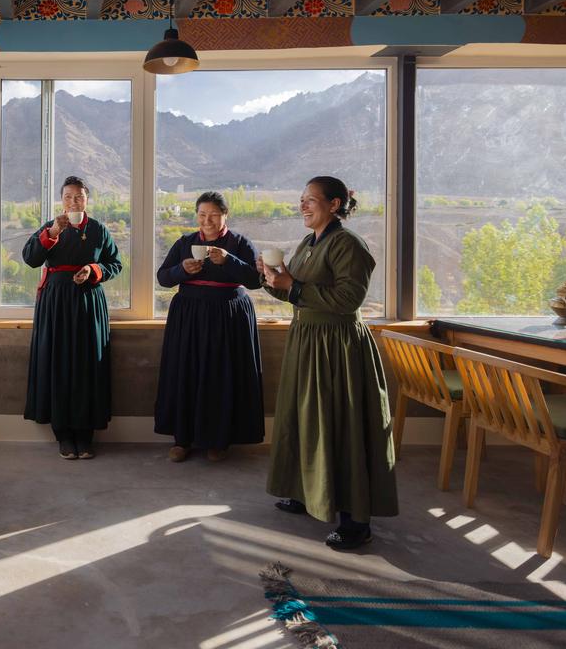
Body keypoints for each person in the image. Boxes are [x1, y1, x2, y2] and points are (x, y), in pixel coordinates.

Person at [259, 176, 398, 551]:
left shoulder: (348, 244)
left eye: (311, 200)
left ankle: (356, 521)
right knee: (305, 419)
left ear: (335, 205)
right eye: (301, 200)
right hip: (307, 342)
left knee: (342, 425)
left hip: (338, 347)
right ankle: (307, 492)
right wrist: (273, 280)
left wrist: (293, 285)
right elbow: (298, 293)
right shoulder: (308, 243)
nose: (303, 206)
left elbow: (348, 299)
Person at [154, 191, 264, 462]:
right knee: (186, 372)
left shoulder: (240, 243)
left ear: (225, 215)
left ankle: (218, 441)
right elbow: (163, 278)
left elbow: (255, 280)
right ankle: (183, 440)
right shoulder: (185, 243)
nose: (208, 220)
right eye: (202, 214)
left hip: (228, 316)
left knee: (221, 376)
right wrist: (182, 270)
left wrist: (229, 260)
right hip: (188, 316)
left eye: (214, 214)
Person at [22, 175, 122, 460]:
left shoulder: (99, 230)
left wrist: (93, 270)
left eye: (78, 196)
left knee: (88, 363)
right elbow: (30, 258)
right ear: (61, 200)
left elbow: (115, 264)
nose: (73, 201)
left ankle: (85, 435)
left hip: (89, 303)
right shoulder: (52, 227)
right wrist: (52, 232)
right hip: (54, 303)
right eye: (68, 197)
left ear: (87, 200)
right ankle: (63, 435)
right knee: (58, 362)